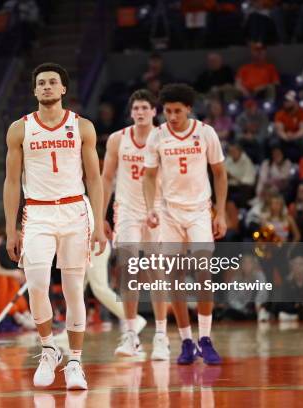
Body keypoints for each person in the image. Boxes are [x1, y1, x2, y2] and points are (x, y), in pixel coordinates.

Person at [3, 63, 106, 390]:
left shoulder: (82, 127)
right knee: (36, 284)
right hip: (37, 213)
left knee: (75, 288)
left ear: (63, 89)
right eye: (41, 83)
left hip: (76, 210)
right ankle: (49, 349)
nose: (47, 87)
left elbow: (95, 178)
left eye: (53, 83)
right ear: (34, 91)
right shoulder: (19, 129)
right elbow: (10, 182)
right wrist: (10, 228)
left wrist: (100, 224)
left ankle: (75, 360)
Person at [143, 83, 227, 365]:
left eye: (177, 111)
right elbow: (148, 176)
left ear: (189, 109)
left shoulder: (205, 132)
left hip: (200, 211)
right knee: (174, 278)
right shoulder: (157, 136)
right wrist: (149, 208)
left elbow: (220, 173)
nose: (172, 116)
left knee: (204, 273)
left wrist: (222, 212)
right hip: (169, 213)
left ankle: (205, 338)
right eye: (167, 111)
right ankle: (186, 341)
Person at [100, 89, 169, 360]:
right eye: (136, 108)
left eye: (145, 108)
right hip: (126, 210)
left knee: (155, 273)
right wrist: (102, 215)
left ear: (154, 112)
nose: (140, 112)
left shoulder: (164, 139)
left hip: (156, 210)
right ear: (131, 112)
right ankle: (130, 336)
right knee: (127, 271)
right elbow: (106, 179)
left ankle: (161, 336)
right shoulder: (118, 139)